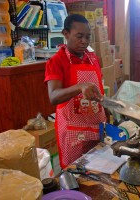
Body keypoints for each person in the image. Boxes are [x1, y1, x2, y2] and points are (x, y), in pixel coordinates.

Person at [44, 14, 107, 169]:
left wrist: (107, 112)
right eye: (79, 36)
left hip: (96, 126)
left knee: (98, 172)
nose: (84, 41)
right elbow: (53, 96)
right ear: (65, 34)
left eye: (87, 37)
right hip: (73, 132)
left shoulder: (93, 59)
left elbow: (99, 90)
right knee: (75, 175)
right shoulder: (56, 61)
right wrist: (80, 87)